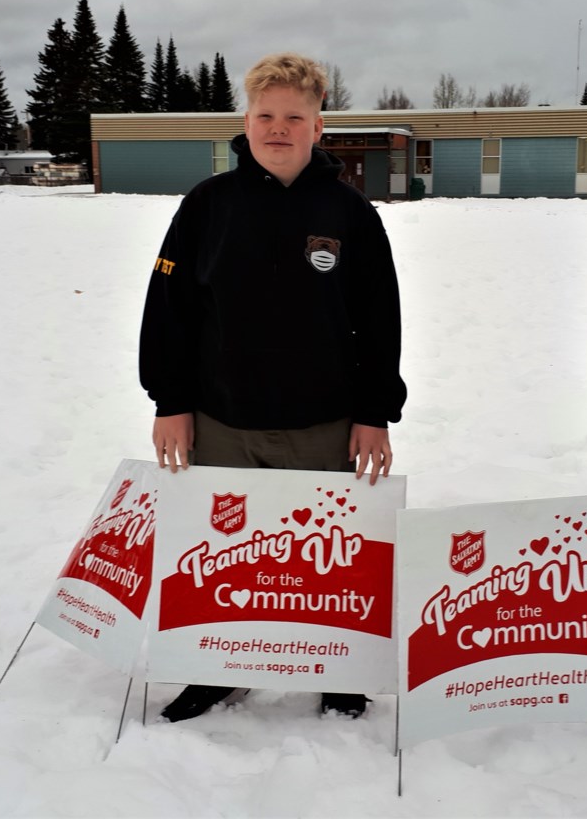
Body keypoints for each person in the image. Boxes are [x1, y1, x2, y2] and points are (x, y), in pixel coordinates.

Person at [139, 52, 407, 723]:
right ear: (246, 121)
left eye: (294, 117)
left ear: (319, 125)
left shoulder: (351, 213)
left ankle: (339, 666)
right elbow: (167, 309)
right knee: (224, 553)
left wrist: (375, 413)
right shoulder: (207, 206)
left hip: (325, 421)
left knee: (325, 553)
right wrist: (170, 401)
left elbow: (380, 321)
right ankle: (214, 668)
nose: (278, 129)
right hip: (222, 418)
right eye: (265, 115)